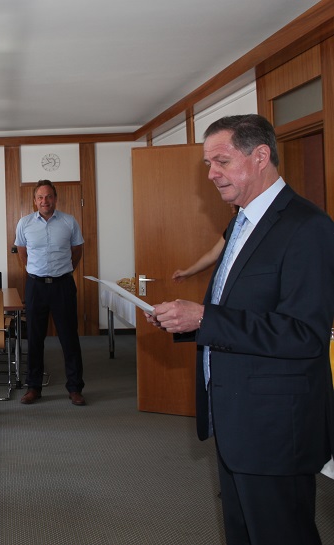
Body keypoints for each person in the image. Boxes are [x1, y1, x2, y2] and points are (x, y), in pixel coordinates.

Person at [147, 114, 334, 545]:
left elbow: (304, 333)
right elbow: (236, 311)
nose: (211, 174)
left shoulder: (309, 227)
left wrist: (205, 319)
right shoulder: (239, 223)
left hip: (275, 428)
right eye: (208, 164)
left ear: (261, 156)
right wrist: (183, 321)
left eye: (222, 161)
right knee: (243, 534)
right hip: (234, 420)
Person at [15, 180, 87, 406]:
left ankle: (75, 388)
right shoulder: (24, 223)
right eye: (40, 197)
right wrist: (35, 272)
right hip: (35, 286)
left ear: (55, 198)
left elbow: (77, 251)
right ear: (35, 200)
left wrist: (63, 272)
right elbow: (22, 254)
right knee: (35, 338)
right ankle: (33, 387)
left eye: (48, 197)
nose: (44, 201)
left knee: (69, 338)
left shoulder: (69, 222)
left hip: (62, 285)